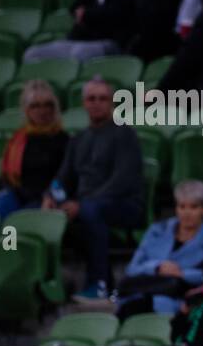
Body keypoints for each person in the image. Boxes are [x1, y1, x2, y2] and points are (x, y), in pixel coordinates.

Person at [43, 77, 145, 300]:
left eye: (103, 98)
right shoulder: (78, 139)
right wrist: (50, 196)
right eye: (91, 98)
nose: (97, 103)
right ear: (84, 103)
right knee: (37, 212)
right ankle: (43, 287)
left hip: (125, 204)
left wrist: (81, 204)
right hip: (87, 206)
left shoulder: (124, 134)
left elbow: (122, 181)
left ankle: (98, 285)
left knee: (89, 212)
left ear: (112, 103)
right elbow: (63, 177)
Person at [118, 179, 203, 317]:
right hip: (139, 295)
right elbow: (132, 268)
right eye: (182, 207)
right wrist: (157, 267)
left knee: (169, 291)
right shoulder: (157, 231)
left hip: (178, 302)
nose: (186, 213)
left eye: (193, 207)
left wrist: (182, 273)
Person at [0, 80, 69, 219]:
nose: (43, 111)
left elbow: (65, 178)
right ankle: (5, 241)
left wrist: (48, 196)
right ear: (26, 110)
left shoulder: (63, 140)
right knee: (3, 202)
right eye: (35, 106)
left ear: (55, 108)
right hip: (19, 196)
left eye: (48, 105)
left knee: (23, 216)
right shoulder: (18, 139)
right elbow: (4, 177)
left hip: (47, 198)